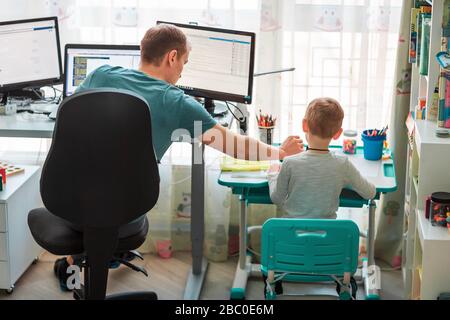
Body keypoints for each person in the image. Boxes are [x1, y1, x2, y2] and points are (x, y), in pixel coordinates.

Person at [53, 23, 303, 290]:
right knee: (114, 206)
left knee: (101, 204)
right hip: (123, 205)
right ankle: (101, 252)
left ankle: (80, 258)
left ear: (142, 50)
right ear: (172, 57)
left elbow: (68, 114)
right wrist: (280, 152)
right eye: (184, 61)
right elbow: (234, 146)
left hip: (68, 196)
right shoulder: (176, 102)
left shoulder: (101, 73)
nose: (183, 69)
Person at [268, 97, 376, 219]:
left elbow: (277, 198)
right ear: (338, 133)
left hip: (291, 235)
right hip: (327, 236)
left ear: (304, 125)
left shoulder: (289, 163)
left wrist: (272, 175)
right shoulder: (342, 165)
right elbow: (370, 193)